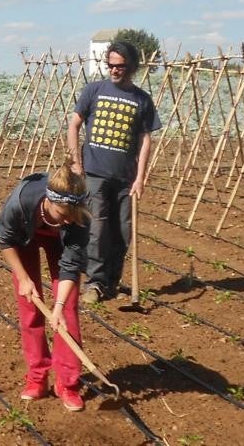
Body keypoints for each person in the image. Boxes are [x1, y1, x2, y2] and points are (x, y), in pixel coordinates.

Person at [67, 40, 162, 304]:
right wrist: (77, 163)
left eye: (119, 66)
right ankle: (94, 283)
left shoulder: (142, 100)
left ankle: (111, 281)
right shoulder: (94, 90)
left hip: (125, 178)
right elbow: (74, 125)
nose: (114, 70)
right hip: (95, 174)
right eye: (110, 65)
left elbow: (145, 140)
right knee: (97, 229)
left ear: (131, 67)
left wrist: (140, 177)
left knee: (122, 231)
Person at [0, 158, 91, 412]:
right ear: (48, 202)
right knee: (30, 308)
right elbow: (4, 240)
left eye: (73, 216)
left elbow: (71, 264)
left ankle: (67, 383)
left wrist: (58, 306)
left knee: (68, 311)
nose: (68, 221)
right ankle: (37, 377)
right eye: (63, 215)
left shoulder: (78, 218)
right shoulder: (20, 202)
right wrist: (24, 279)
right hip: (25, 238)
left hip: (60, 245)